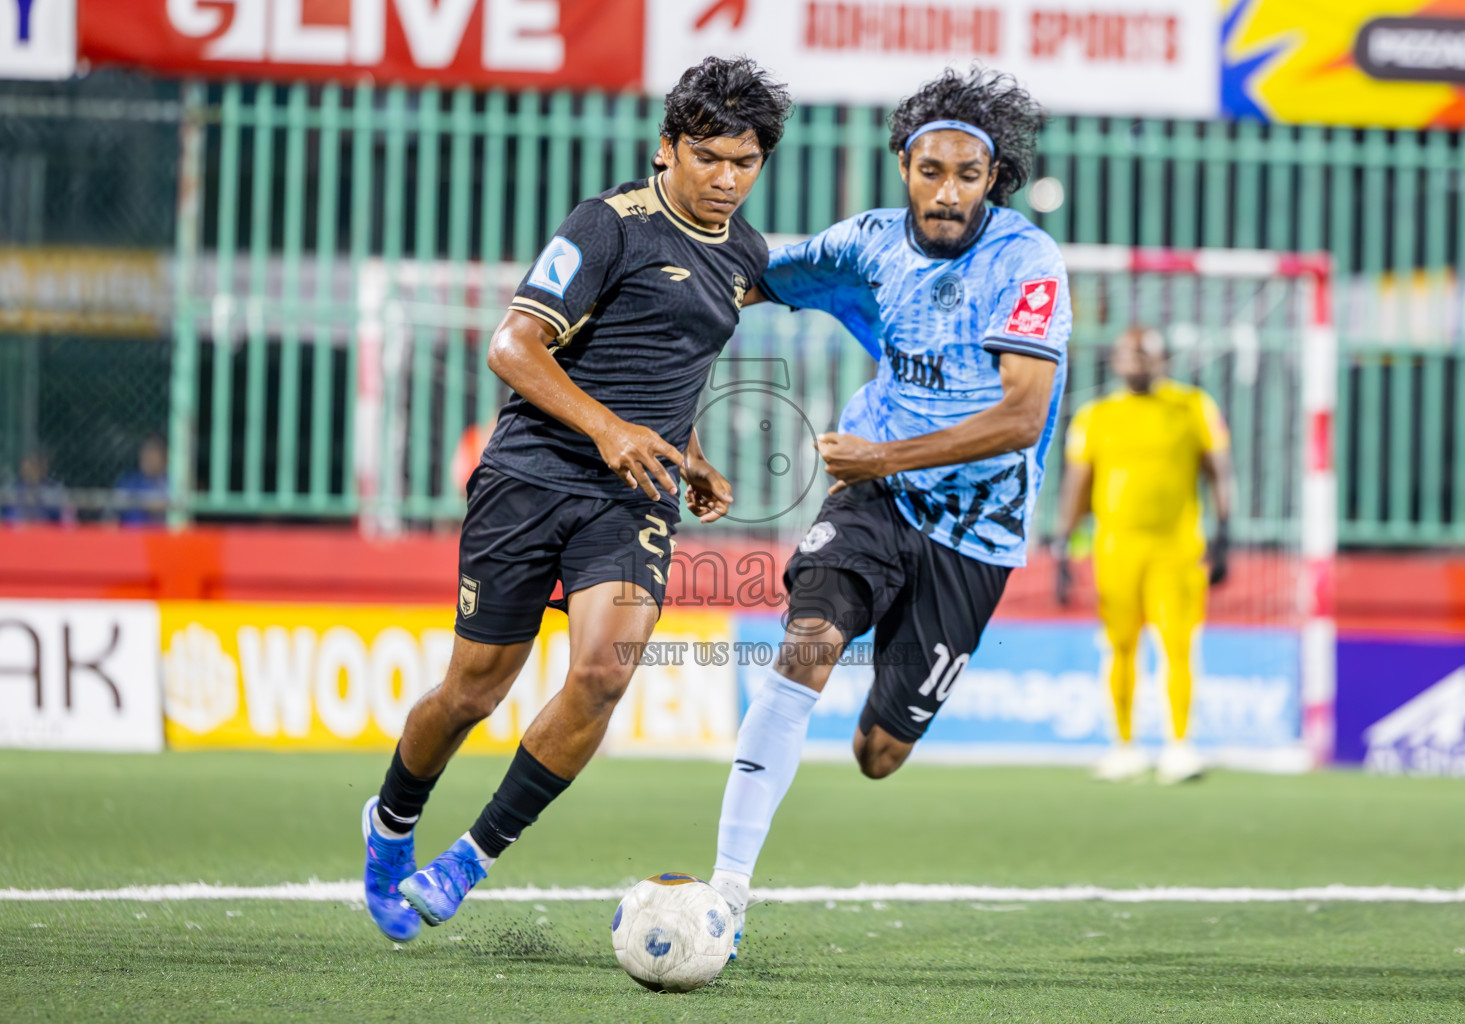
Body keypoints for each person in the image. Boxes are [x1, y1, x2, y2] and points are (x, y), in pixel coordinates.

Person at [359, 57, 793, 942]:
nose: (726, 179)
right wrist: (609, 429)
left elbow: (672, 359)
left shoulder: (745, 254)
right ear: (666, 147)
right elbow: (513, 348)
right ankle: (391, 824)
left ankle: (469, 859)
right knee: (472, 692)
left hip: (632, 493)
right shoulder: (607, 226)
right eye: (709, 157)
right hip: (529, 477)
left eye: (744, 163)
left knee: (602, 672)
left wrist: (691, 451)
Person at [708, 67, 1067, 958]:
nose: (947, 192)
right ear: (904, 164)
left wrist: (883, 453)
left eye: (968, 176)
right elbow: (744, 280)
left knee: (879, 752)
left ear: (995, 181)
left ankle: (892, 699)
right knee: (807, 646)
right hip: (876, 498)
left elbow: (1022, 417)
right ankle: (726, 894)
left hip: (977, 531)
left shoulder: (1025, 263)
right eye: (930, 170)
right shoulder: (866, 244)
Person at [1052, 326, 1235, 785]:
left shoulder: (1193, 406)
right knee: (1120, 647)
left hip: (1177, 548)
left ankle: (1179, 747)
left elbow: (1219, 472)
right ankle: (1124, 746)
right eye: (1126, 352)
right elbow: (1078, 484)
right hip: (1115, 548)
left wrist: (1226, 531)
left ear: (1162, 359)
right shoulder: (1095, 415)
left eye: (1144, 352)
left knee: (1178, 646)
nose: (1134, 359)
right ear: (1114, 362)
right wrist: (1062, 546)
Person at [113, 434, 169, 526]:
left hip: (161, 538)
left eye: (153, 450)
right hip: (130, 538)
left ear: (165, 455)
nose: (147, 456)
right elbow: (112, 514)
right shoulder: (128, 482)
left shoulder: (172, 482)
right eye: (145, 450)